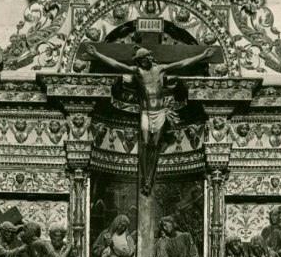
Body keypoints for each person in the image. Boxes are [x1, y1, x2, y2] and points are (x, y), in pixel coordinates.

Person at [84, 42, 214, 194]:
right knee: (145, 143)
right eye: (141, 60)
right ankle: (145, 178)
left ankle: (150, 178)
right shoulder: (138, 71)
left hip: (159, 112)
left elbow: (182, 63)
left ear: (149, 57)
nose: (143, 62)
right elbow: (116, 64)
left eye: (145, 59)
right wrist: (96, 54)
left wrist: (202, 56)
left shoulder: (160, 69)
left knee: (155, 144)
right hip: (146, 112)